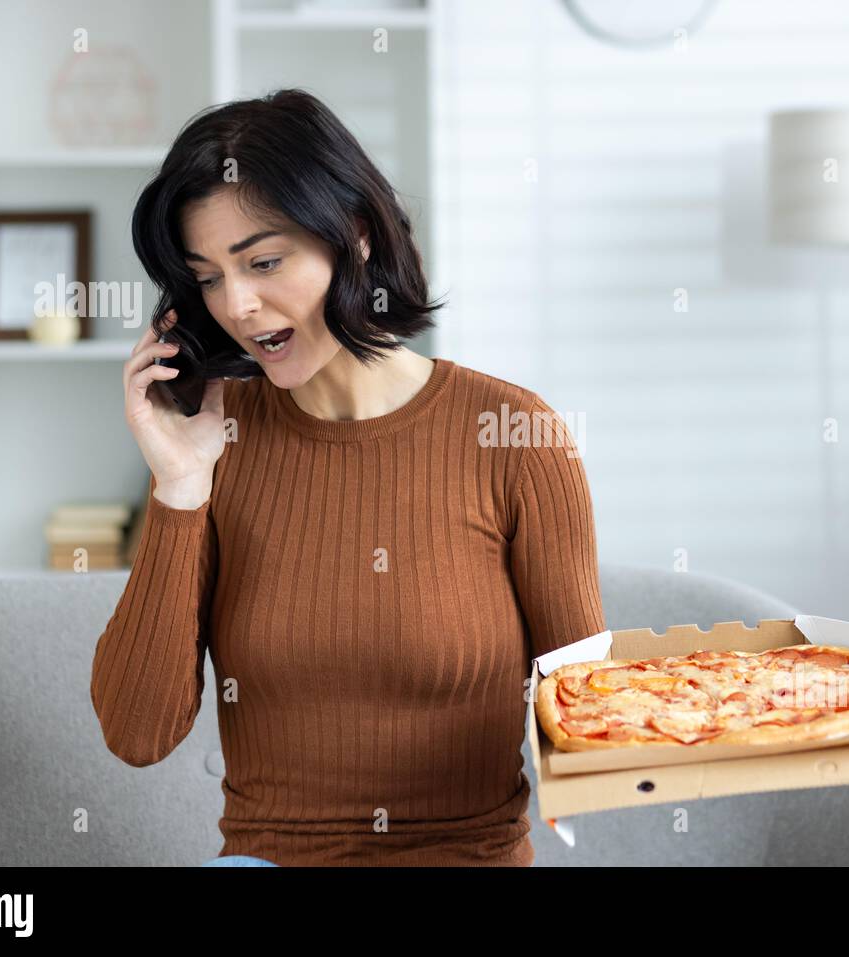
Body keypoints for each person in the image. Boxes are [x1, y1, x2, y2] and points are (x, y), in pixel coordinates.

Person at [90, 88, 606, 866]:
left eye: (264, 262)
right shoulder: (213, 447)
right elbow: (135, 733)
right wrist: (179, 487)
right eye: (206, 277)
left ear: (355, 237)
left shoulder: (513, 437)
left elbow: (590, 726)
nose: (236, 303)